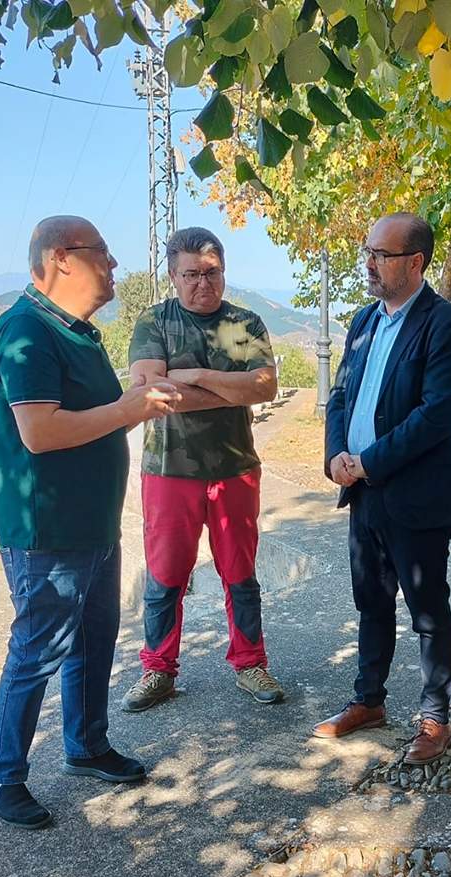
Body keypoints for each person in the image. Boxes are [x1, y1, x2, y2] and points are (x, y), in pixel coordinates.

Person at [0, 215, 179, 829]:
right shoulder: (25, 331)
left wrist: (132, 398)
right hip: (47, 529)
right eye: (104, 254)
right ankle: (5, 776)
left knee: (94, 641)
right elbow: (39, 432)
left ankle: (87, 745)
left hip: (92, 521)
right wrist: (128, 408)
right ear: (63, 258)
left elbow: (93, 413)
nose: (115, 266)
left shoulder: (79, 333)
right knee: (38, 649)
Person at [313, 213, 451, 764]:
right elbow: (340, 395)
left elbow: (434, 417)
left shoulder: (445, 325)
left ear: (415, 262)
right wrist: (336, 455)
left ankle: (434, 718)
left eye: (380, 254)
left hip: (416, 494)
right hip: (362, 492)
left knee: (428, 608)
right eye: (367, 251)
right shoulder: (363, 321)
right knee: (371, 601)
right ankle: (369, 701)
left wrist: (367, 462)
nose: (369, 262)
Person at [120, 227, 284, 713]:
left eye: (211, 273)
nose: (202, 283)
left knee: (240, 572)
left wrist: (192, 376)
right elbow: (152, 392)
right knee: (166, 575)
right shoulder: (155, 322)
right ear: (173, 275)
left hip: (235, 467)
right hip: (170, 470)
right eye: (191, 274)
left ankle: (250, 663)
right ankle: (157, 670)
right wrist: (227, 388)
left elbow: (263, 388)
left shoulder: (241, 324)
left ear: (223, 272)